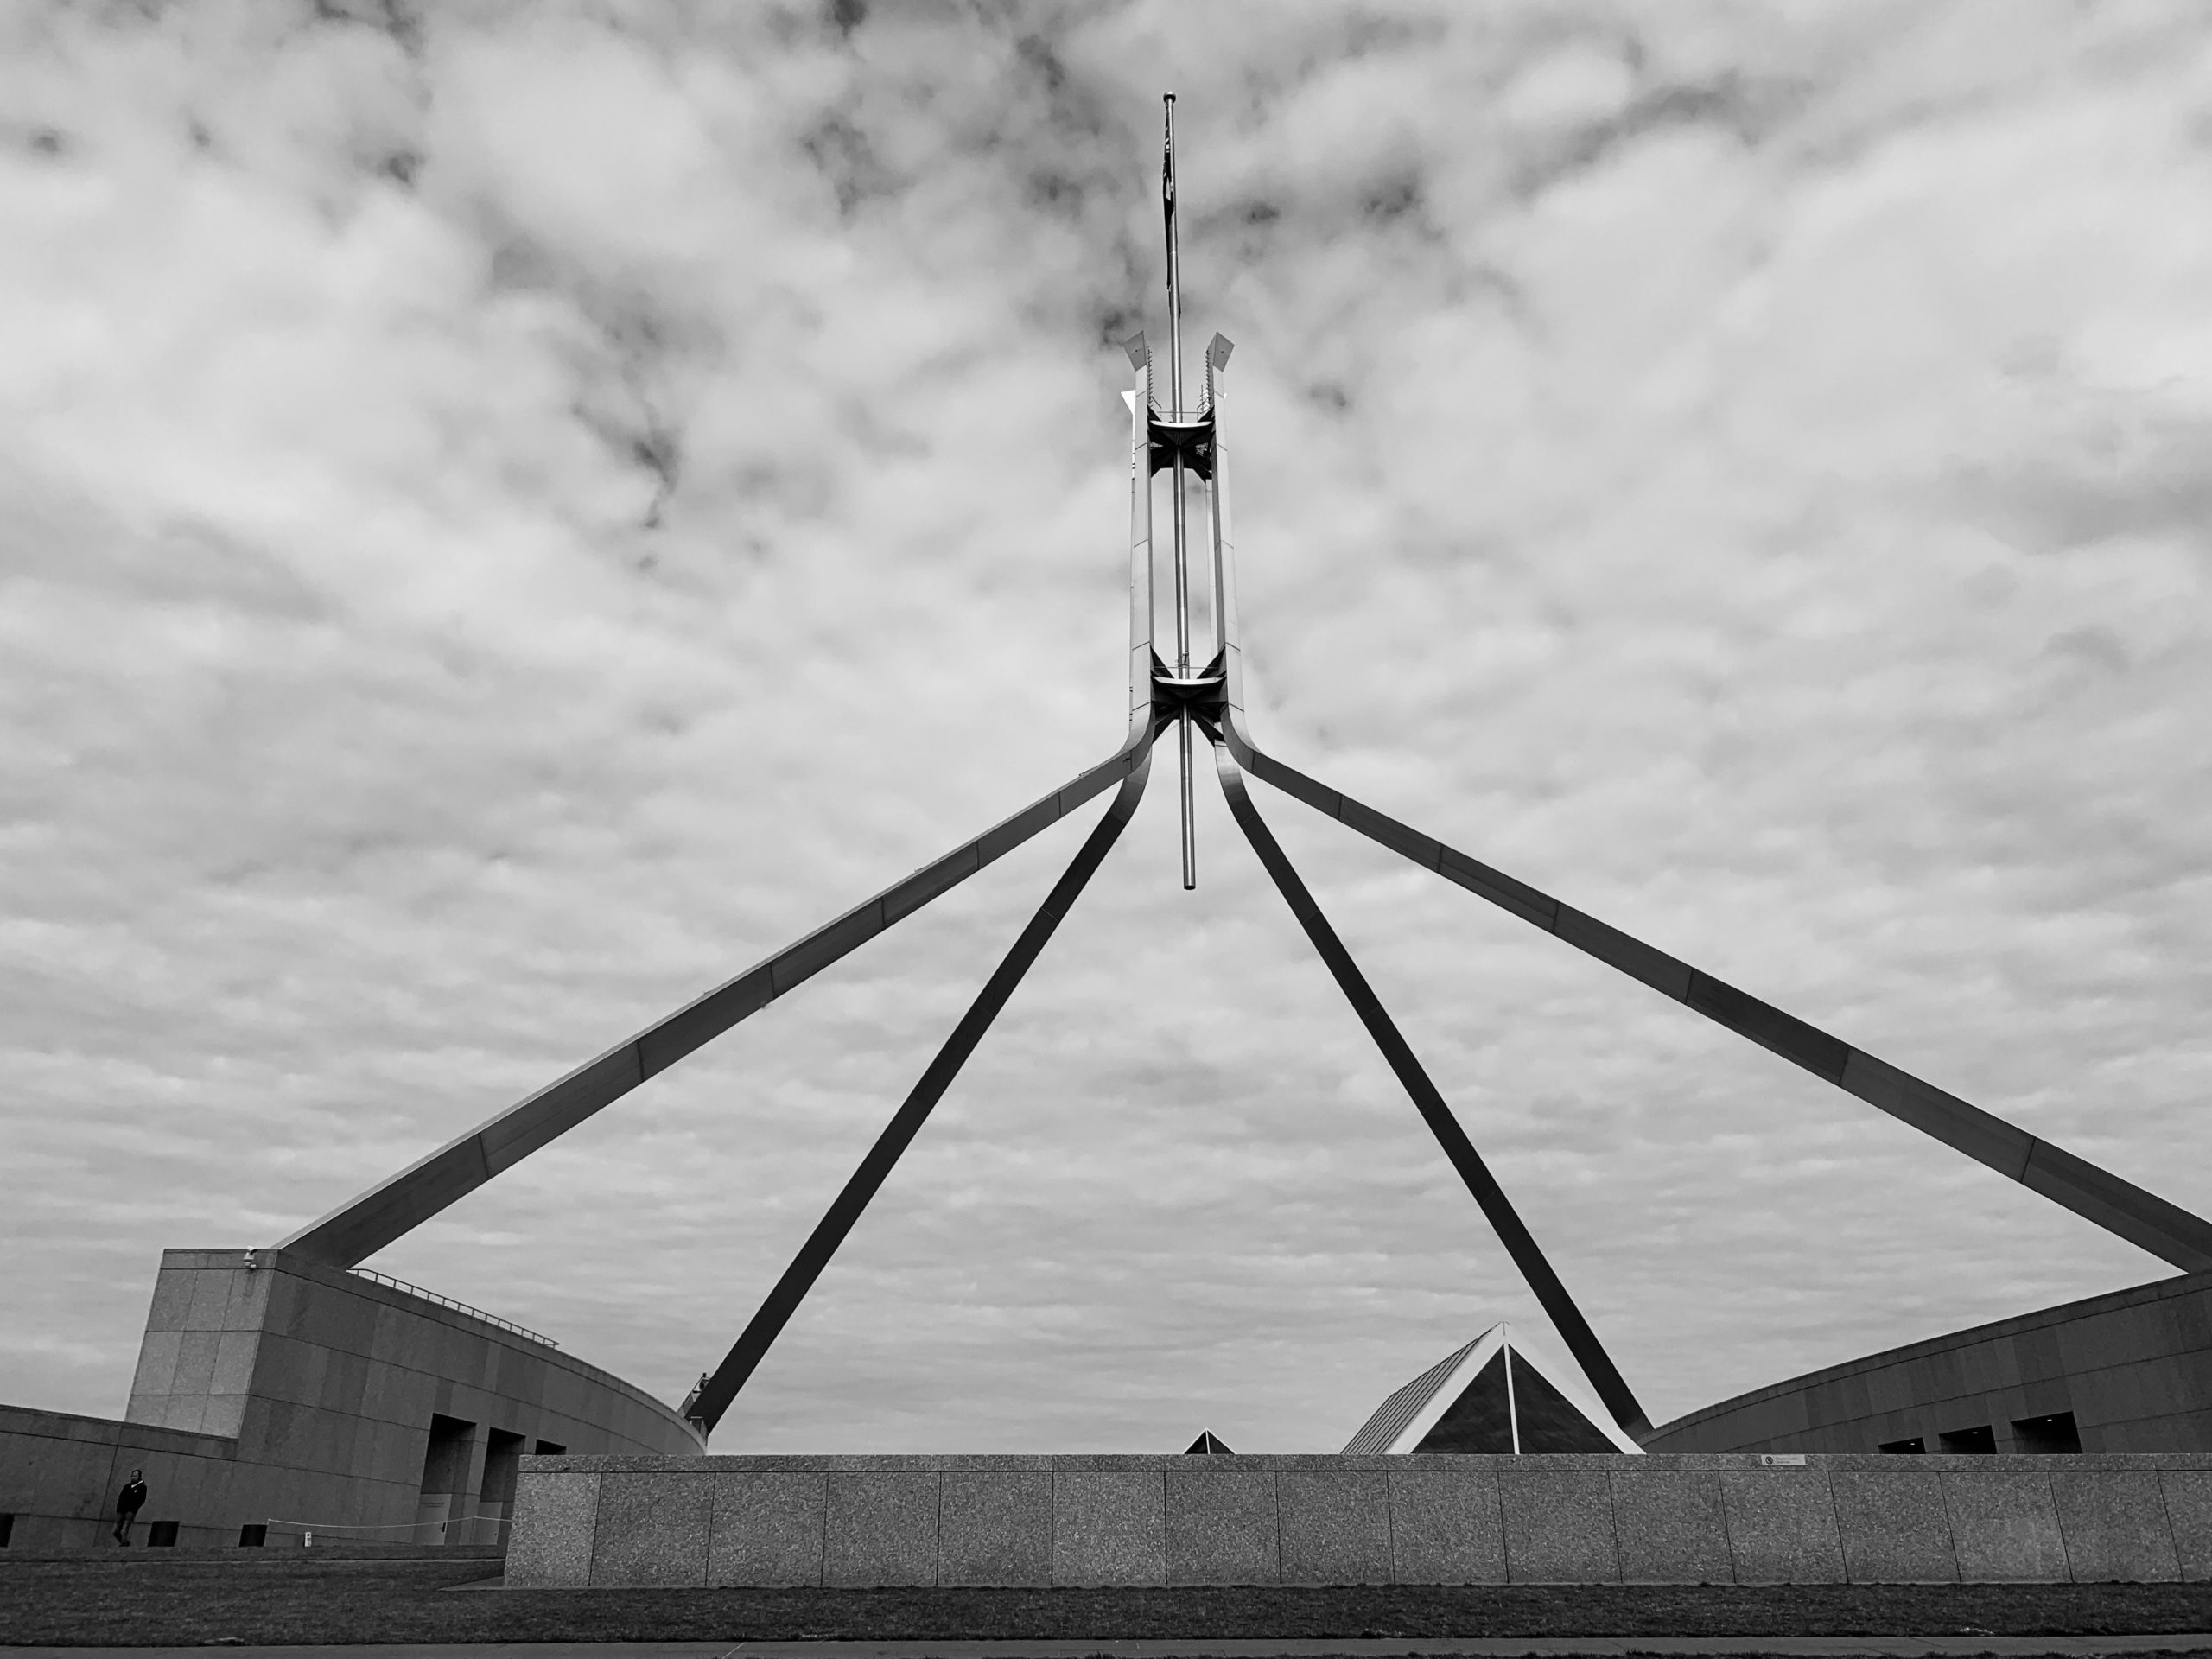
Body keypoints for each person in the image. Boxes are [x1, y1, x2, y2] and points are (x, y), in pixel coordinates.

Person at [112, 1470, 147, 1546]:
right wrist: (118, 1509)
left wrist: (133, 1510)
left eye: (135, 1476)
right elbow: (121, 1497)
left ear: (139, 1477)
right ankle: (124, 1542)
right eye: (132, 1476)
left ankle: (123, 1544)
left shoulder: (142, 1488)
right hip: (121, 1511)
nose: (133, 1478)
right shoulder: (127, 1486)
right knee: (115, 1530)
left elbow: (141, 1500)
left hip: (130, 1511)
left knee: (125, 1529)